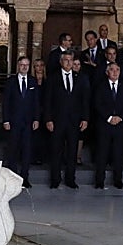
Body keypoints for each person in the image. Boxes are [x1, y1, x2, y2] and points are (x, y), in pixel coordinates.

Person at [43, 52, 89, 189]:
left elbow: (85, 100)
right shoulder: (53, 78)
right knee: (56, 150)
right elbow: (47, 100)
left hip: (74, 121)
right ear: (60, 62)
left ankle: (70, 179)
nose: (68, 62)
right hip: (57, 121)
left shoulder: (81, 78)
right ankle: (55, 179)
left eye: (70, 60)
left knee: (72, 151)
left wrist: (85, 118)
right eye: (65, 60)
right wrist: (48, 119)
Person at [91, 62, 123, 190]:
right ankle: (99, 181)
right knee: (102, 153)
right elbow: (97, 104)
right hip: (104, 124)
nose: (115, 72)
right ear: (107, 72)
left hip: (120, 125)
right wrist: (109, 117)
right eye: (112, 70)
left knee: (119, 153)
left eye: (117, 70)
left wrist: (120, 117)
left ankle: (118, 180)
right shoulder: (100, 86)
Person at [1, 55, 39, 187]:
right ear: (18, 66)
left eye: (26, 65)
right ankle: (13, 178)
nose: (24, 67)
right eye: (22, 65)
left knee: (27, 150)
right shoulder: (10, 82)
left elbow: (36, 102)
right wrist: (6, 120)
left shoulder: (33, 81)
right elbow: (6, 102)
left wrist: (36, 119)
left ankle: (25, 178)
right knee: (13, 149)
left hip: (28, 122)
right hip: (14, 121)